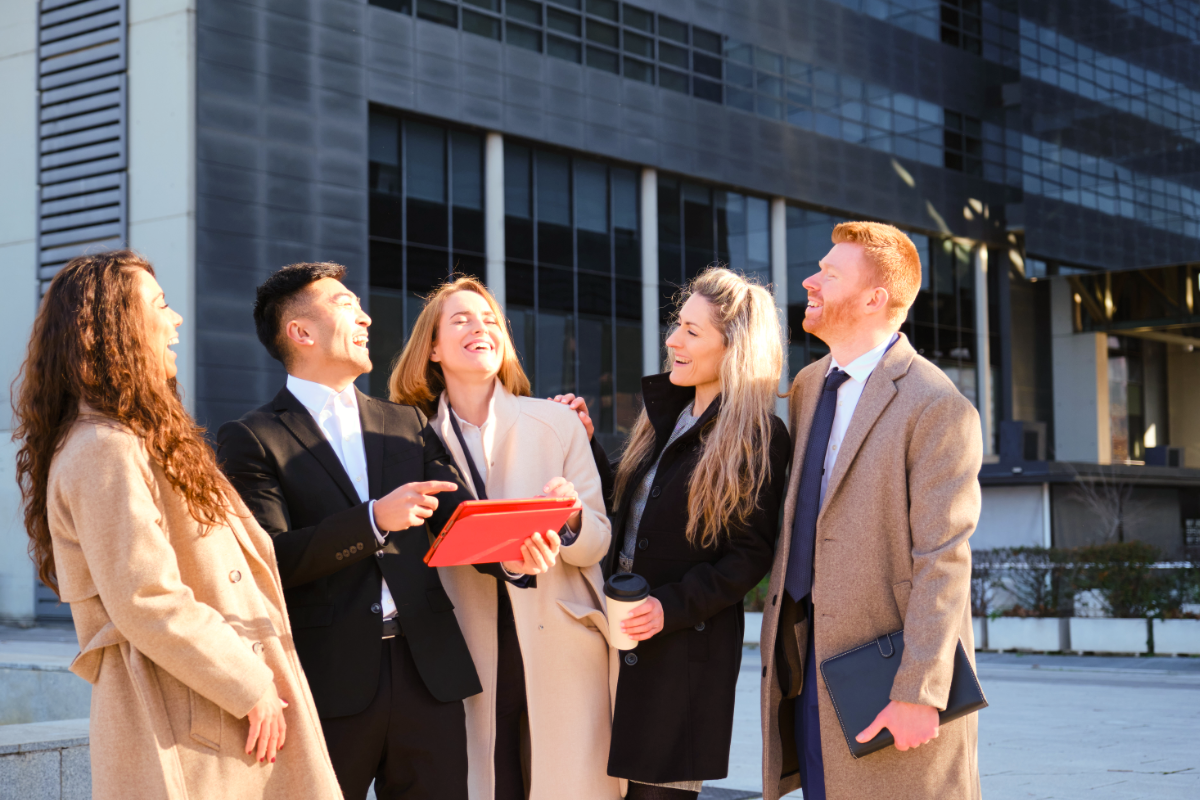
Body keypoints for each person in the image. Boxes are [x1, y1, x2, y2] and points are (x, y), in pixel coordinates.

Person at [13, 251, 342, 800]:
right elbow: (146, 597)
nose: (176, 320)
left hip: (210, 709)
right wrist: (250, 683)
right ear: (111, 328)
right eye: (159, 306)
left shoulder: (138, 438)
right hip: (191, 720)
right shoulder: (103, 449)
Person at [216, 263, 489, 800]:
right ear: (301, 332)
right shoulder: (251, 437)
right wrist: (372, 521)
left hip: (427, 673)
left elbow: (460, 520)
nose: (365, 316)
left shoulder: (406, 422)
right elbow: (269, 560)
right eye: (345, 304)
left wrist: (524, 539)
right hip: (327, 678)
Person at [759, 222, 983, 800]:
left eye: (829, 273)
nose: (809, 280)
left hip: (886, 675)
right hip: (810, 668)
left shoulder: (937, 406)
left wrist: (920, 689)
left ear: (874, 297)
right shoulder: (810, 384)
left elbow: (944, 557)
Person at [555, 267, 790, 800]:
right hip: (618, 636)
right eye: (677, 325)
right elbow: (630, 510)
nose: (672, 340)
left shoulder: (758, 435)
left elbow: (750, 557)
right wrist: (588, 443)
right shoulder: (671, 414)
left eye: (691, 330)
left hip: (684, 652)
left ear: (734, 347)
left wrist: (670, 607)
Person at [389, 276, 619, 800]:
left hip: (561, 643)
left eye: (491, 319)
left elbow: (598, 540)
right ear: (432, 347)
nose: (481, 327)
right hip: (462, 644)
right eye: (462, 319)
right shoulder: (406, 438)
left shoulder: (556, 422)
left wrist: (571, 519)